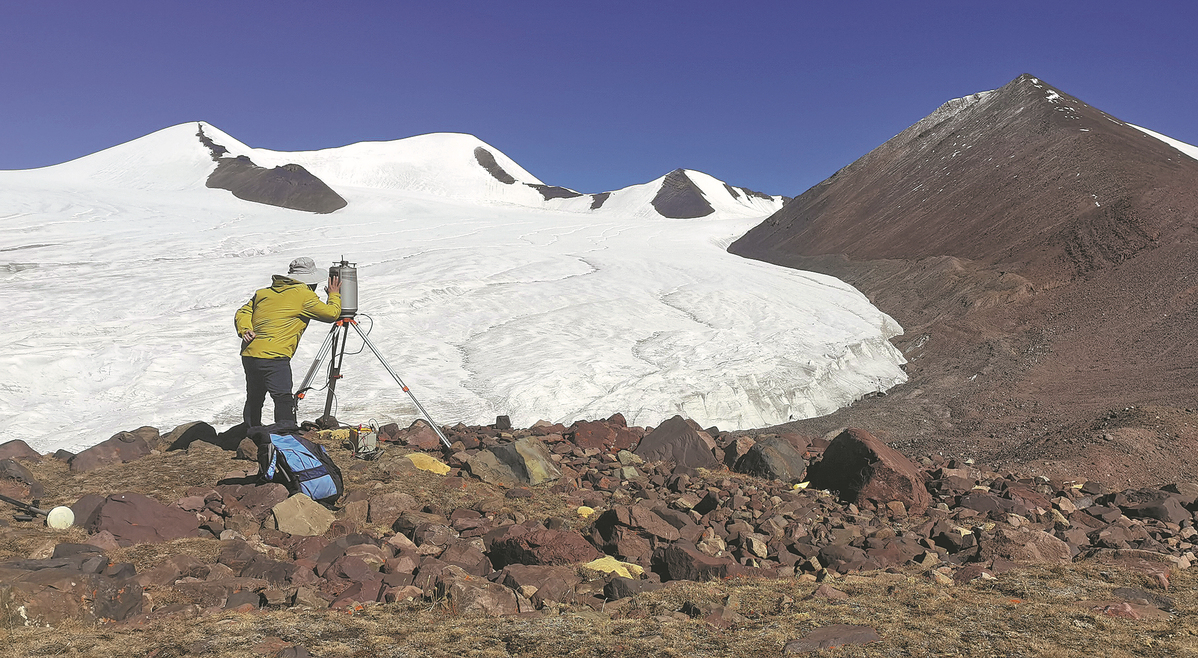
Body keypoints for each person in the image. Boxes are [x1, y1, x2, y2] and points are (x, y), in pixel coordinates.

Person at [234, 257, 341, 428]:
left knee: (254, 397)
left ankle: (251, 432)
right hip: (274, 357)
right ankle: (286, 435)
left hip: (250, 354)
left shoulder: (264, 293)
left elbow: (243, 311)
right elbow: (332, 314)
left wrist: (245, 329)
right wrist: (334, 295)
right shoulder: (304, 295)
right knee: (283, 398)